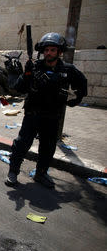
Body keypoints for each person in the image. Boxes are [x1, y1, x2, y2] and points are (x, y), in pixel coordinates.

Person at [5, 32, 87, 189]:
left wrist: (75, 100)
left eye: (53, 50)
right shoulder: (34, 67)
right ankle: (13, 171)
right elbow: (18, 88)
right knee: (21, 145)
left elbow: (82, 84)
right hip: (32, 115)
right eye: (46, 50)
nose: (49, 53)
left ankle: (41, 173)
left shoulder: (67, 70)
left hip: (52, 116)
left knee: (48, 147)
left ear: (59, 52)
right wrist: (27, 74)